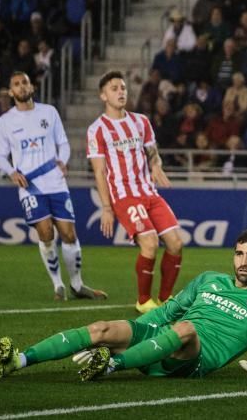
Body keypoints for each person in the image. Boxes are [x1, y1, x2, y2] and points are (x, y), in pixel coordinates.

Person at [0, 229, 247, 382]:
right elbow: (166, 312)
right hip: (158, 341)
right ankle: (18, 361)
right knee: (102, 328)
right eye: (239, 254)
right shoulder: (209, 279)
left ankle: (110, 365)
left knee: (187, 328)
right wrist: (128, 334)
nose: (243, 262)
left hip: (189, 360)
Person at [0, 71, 106, 301]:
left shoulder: (49, 112)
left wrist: (62, 161)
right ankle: (58, 285)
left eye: (25, 82)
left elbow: (63, 144)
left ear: (32, 86)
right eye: (16, 84)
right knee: (45, 232)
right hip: (30, 186)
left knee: (68, 233)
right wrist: (12, 172)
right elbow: (0, 157)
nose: (21, 86)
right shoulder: (5, 121)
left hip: (55, 182)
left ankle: (77, 284)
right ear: (11, 92)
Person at [86, 71, 184, 313]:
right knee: (149, 243)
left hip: (149, 193)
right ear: (103, 96)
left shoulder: (141, 122)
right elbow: (99, 172)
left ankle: (165, 299)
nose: (120, 92)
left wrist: (156, 164)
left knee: (176, 243)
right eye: (114, 88)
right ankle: (143, 300)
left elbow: (152, 151)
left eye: (123, 88)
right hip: (124, 195)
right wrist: (107, 208)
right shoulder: (97, 130)